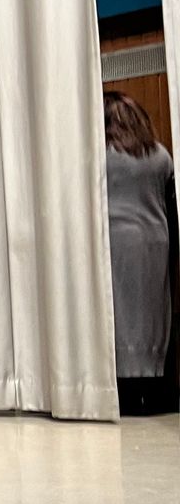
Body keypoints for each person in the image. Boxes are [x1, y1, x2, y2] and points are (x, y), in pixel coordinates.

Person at [105, 91, 177, 415]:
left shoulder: (100, 155)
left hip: (115, 242)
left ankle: (123, 390)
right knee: (154, 318)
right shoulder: (161, 156)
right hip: (155, 242)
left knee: (119, 318)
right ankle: (156, 387)